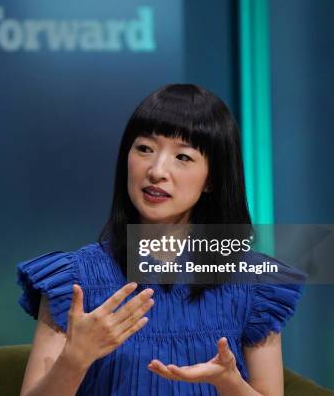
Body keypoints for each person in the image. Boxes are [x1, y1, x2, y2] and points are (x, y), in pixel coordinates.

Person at [15, 84, 306, 395]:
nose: (156, 171)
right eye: (145, 149)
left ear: (212, 180)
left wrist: (229, 382)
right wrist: (74, 359)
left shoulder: (255, 285)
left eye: (182, 156)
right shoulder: (72, 281)